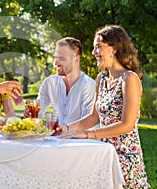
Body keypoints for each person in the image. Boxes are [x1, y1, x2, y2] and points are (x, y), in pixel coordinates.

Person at [59, 25, 150, 188]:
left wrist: (87, 135)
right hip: (101, 151)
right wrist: (65, 129)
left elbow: (127, 124)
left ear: (113, 49)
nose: (94, 52)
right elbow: (94, 117)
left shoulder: (129, 79)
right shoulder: (102, 78)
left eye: (98, 47)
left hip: (124, 156)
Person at [25, 37, 96, 125]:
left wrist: (65, 131)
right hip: (58, 136)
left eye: (62, 59)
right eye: (55, 58)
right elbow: (38, 111)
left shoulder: (89, 86)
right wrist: (31, 115)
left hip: (81, 138)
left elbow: (88, 123)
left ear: (76, 59)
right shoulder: (49, 83)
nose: (56, 63)